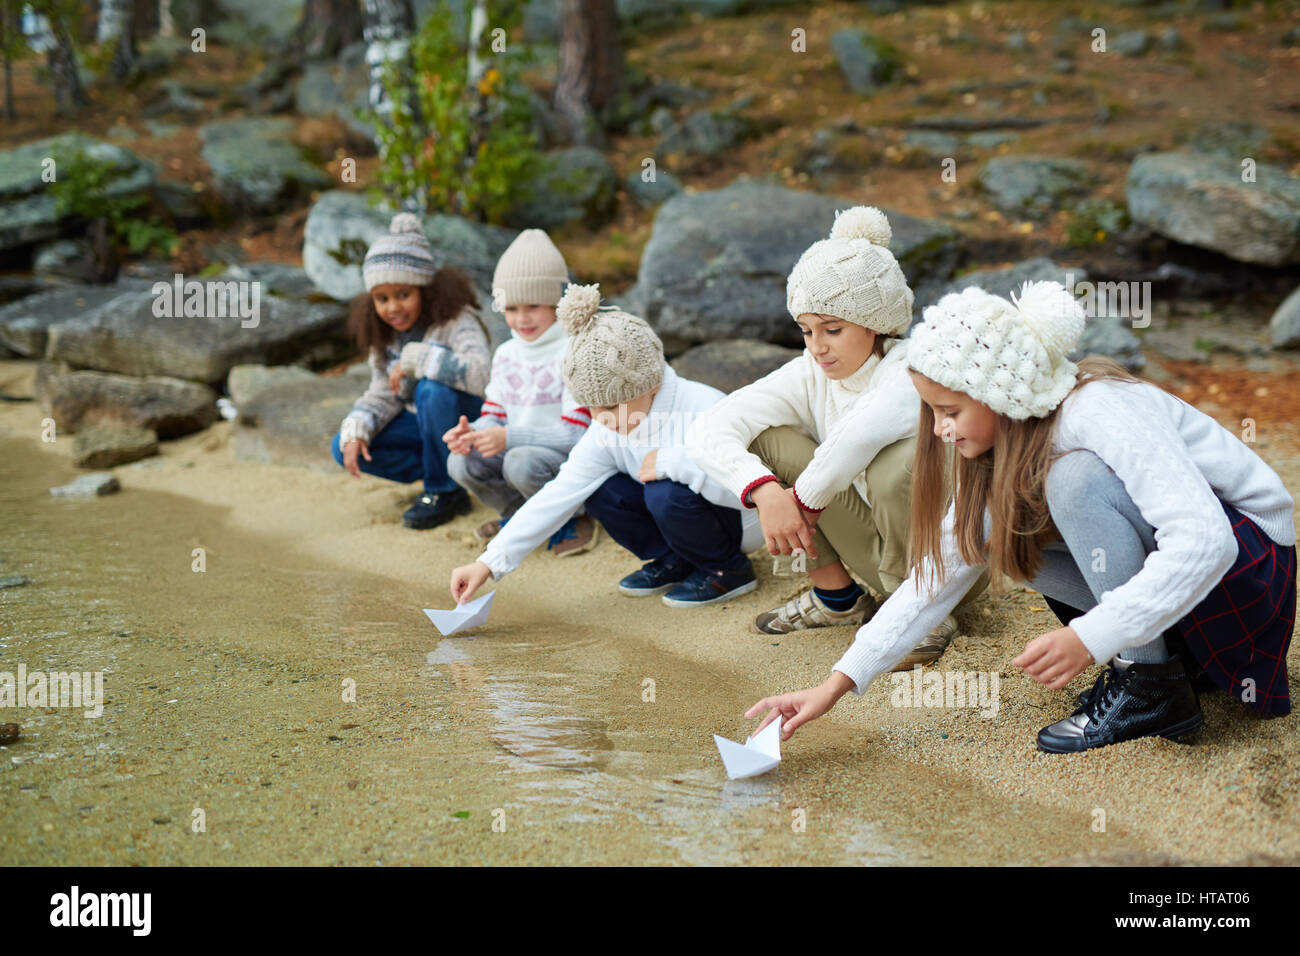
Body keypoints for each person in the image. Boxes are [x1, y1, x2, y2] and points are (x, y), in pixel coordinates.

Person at [747, 280, 1296, 753]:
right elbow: (933, 579)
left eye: (950, 412)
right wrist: (834, 687)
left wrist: (1091, 634)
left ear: (1001, 394)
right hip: (1189, 592)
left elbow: (1207, 541)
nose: (940, 430)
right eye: (933, 413)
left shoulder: (1097, 408)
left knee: (1072, 480)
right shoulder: (1001, 451)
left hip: (1249, 573)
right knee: (993, 530)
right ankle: (1169, 658)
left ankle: (1151, 683)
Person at [687, 205, 985, 663]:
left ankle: (927, 610)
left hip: (950, 560)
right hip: (876, 553)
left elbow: (861, 435)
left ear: (876, 324)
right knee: (769, 442)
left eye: (832, 329)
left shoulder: (913, 365)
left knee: (895, 463)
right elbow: (709, 427)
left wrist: (800, 503)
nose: (817, 346)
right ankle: (837, 600)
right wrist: (765, 494)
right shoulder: (810, 372)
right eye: (805, 330)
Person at [450, 284, 764, 608]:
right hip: (683, 519)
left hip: (740, 523)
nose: (602, 419)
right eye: (592, 407)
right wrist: (488, 563)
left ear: (652, 385)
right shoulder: (608, 426)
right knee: (599, 489)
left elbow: (749, 491)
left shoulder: (703, 407)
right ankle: (677, 559)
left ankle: (726, 569)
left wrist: (675, 463)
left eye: (613, 407)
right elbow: (558, 495)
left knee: (663, 490)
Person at [330, 213, 490, 529]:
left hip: (466, 419)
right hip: (426, 427)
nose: (392, 308)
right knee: (344, 443)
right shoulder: (384, 334)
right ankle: (444, 472)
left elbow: (481, 375)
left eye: (403, 295)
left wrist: (417, 359)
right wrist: (360, 424)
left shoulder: (457, 321)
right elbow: (383, 391)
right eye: (382, 298)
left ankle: (444, 491)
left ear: (424, 290)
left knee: (430, 390)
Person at [444, 228, 597, 556]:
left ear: (558, 301)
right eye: (511, 309)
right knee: (459, 463)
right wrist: (473, 434)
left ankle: (574, 517)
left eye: (533, 306)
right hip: (520, 449)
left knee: (519, 462)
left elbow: (576, 432)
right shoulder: (507, 354)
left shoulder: (572, 349)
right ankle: (517, 513)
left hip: (565, 458)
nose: (522, 319)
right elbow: (495, 416)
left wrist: (508, 436)